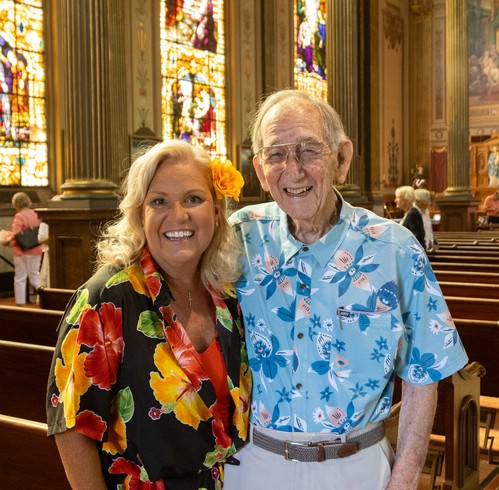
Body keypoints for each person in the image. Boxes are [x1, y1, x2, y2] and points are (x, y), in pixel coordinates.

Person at [225, 89, 468, 490]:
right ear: (260, 170)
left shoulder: (394, 249)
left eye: (308, 150)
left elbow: (423, 375)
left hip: (358, 466)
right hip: (255, 464)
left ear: (341, 159)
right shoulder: (238, 239)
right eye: (276, 154)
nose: (293, 170)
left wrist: (404, 481)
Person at [46, 140, 251, 489]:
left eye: (193, 199)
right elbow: (72, 425)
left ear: (217, 211)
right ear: (139, 214)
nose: (179, 215)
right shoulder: (107, 298)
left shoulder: (226, 293)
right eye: (159, 201)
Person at [9, 191, 43, 306]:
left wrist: (7, 240)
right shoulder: (35, 214)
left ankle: (20, 304)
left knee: (20, 277)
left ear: (16, 203)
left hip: (22, 251)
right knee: (35, 276)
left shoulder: (19, 216)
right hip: (36, 249)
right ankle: (45, 297)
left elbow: (16, 234)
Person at [395, 185, 426, 249]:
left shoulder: (412, 214)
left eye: (398, 197)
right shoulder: (409, 212)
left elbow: (417, 237)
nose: (395, 200)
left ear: (406, 199)